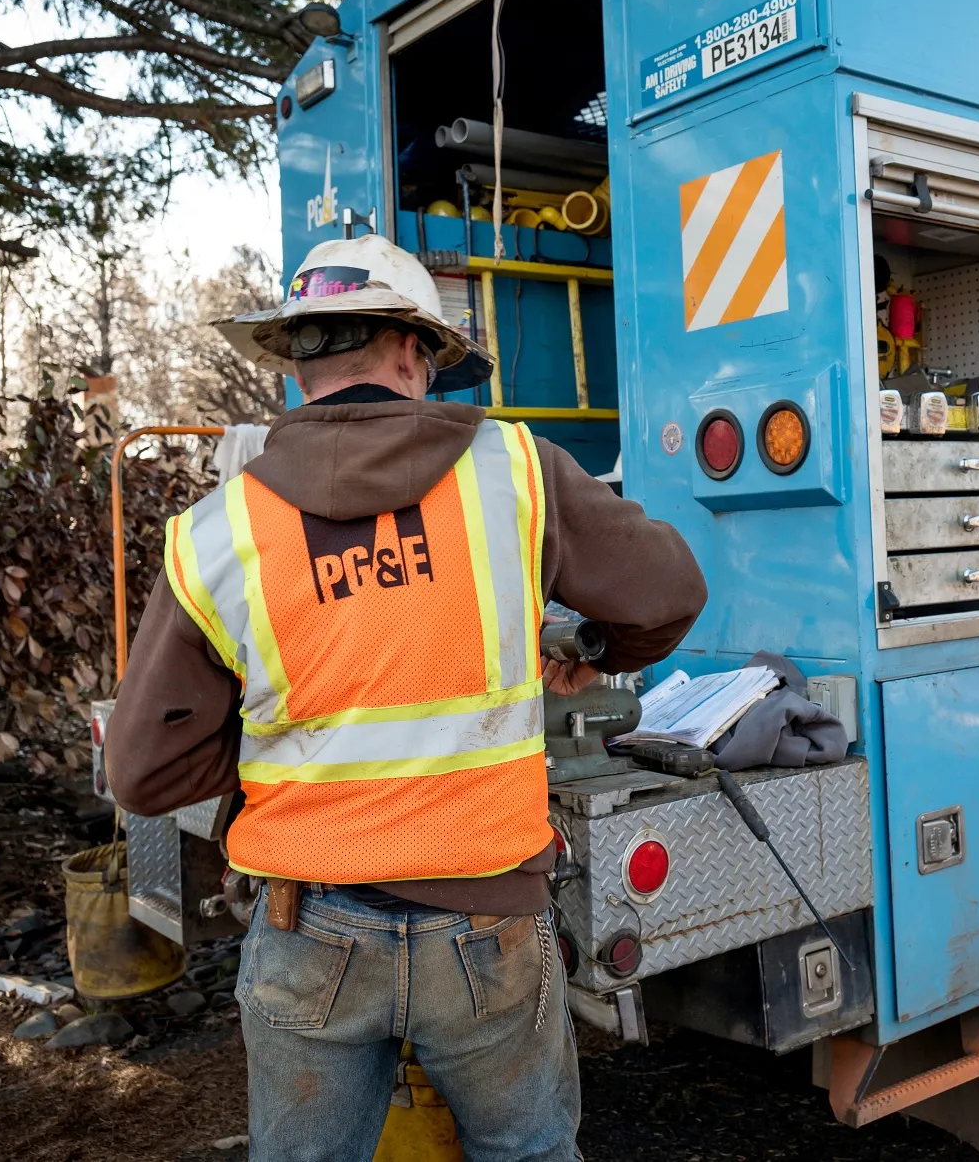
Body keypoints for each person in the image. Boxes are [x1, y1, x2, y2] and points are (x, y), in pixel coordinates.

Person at [105, 235, 707, 1162]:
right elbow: (670, 593)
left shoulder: (215, 534)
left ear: (301, 361)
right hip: (490, 922)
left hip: (308, 924)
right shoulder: (515, 471)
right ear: (411, 351)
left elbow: (142, 772)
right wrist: (596, 649)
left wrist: (284, 740)